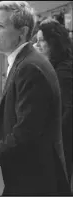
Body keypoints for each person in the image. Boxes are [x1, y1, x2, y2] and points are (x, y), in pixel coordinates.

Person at [0, 1, 70, 195]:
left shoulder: (30, 68)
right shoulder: (25, 61)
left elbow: (26, 132)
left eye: (1, 26)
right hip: (29, 178)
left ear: (22, 32)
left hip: (35, 184)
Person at [35, 18, 72, 185]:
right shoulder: (59, 65)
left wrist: (49, 143)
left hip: (61, 148)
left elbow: (67, 111)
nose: (38, 46)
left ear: (53, 42)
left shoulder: (63, 71)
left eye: (41, 41)